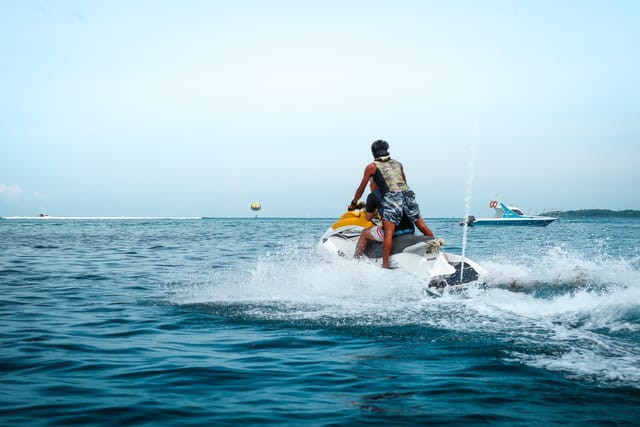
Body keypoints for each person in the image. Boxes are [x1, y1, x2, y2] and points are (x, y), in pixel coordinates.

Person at [349, 140, 434, 268]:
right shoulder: (398, 164)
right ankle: (435, 251)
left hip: (392, 197)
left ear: (373, 153)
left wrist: (353, 203)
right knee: (422, 226)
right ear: (387, 150)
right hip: (407, 194)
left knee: (389, 232)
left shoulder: (372, 166)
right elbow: (404, 182)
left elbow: (361, 188)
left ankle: (384, 266)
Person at [354, 190, 415, 258]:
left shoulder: (374, 195)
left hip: (394, 232)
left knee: (365, 233)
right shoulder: (403, 193)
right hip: (410, 229)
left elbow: (368, 217)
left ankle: (356, 258)